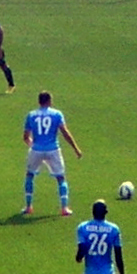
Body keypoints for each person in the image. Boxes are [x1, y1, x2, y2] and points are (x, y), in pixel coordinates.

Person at [22, 88, 84, 216]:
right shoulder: (57, 114)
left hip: (36, 150)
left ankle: (28, 207)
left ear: (39, 102)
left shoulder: (31, 115)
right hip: (53, 149)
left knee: (30, 176)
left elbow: (25, 137)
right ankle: (64, 208)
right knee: (61, 178)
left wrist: (33, 145)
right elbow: (65, 133)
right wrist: (76, 149)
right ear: (49, 101)